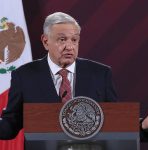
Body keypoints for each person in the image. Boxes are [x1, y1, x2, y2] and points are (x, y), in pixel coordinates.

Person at [0, 12, 117, 140]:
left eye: (74, 40)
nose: (70, 47)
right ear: (45, 41)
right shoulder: (24, 75)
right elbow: (10, 125)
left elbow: (119, 122)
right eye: (62, 39)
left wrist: (143, 126)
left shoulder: (100, 74)